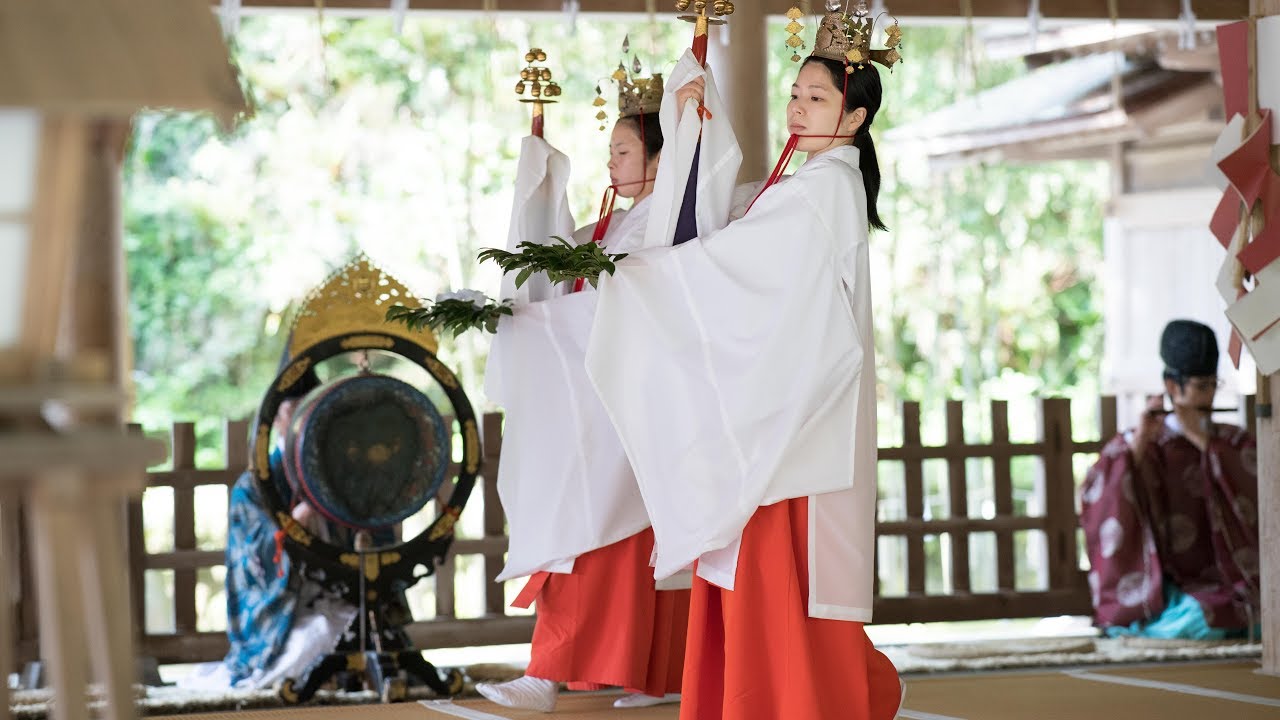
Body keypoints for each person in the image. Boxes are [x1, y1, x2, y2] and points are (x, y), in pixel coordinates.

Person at [583, 8, 901, 719]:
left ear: (852, 120)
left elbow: (736, 267)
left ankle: (785, 704)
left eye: (817, 99)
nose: (797, 106)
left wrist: (646, 277)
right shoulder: (813, 181)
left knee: (772, 577)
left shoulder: (824, 189)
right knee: (759, 576)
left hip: (795, 428)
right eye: (796, 93)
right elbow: (731, 226)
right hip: (789, 416)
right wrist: (702, 126)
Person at [477, 64, 689, 712]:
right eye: (610, 152)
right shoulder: (619, 224)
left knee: (593, 536)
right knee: (596, 538)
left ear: (659, 156)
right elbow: (551, 257)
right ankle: (623, 671)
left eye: (623, 151)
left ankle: (559, 673)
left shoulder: (665, 223)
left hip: (627, 404)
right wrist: (540, 172)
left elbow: (633, 304)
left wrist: (554, 323)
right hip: (599, 401)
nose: (613, 163)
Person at [1080, 319, 1260, 639]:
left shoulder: (1232, 443)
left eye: (1212, 384)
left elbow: (1260, 490)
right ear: (1172, 386)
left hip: (1230, 579)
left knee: (1252, 612)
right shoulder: (1143, 443)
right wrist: (1137, 449)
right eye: (1200, 386)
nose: (1209, 395)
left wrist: (1204, 443)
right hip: (1168, 586)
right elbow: (1097, 495)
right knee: (1200, 619)